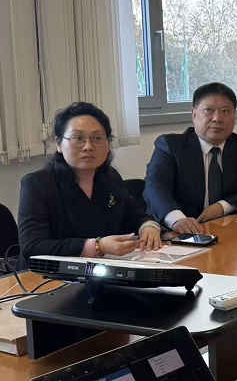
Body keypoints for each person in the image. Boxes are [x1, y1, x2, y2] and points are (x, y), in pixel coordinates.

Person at [17, 102, 161, 269]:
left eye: (97, 138)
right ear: (58, 143)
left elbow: (134, 215)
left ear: (108, 143)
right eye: (78, 138)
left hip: (101, 271)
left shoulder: (109, 177)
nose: (88, 147)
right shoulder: (37, 184)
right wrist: (97, 247)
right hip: (45, 276)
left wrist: (148, 227)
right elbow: (33, 247)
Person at [144, 83, 237, 234]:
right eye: (208, 110)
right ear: (194, 114)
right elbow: (155, 188)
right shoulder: (170, 146)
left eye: (225, 111)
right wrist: (177, 219)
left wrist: (223, 206)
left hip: (226, 231)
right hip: (178, 234)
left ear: (234, 117)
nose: (217, 118)